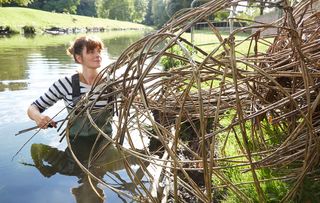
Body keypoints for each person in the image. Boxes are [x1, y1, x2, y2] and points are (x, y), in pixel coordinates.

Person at [27, 35, 113, 138]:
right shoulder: (66, 84)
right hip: (76, 142)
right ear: (79, 58)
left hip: (105, 142)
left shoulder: (112, 84)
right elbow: (33, 108)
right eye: (91, 52)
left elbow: (134, 99)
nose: (98, 55)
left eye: (98, 51)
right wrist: (38, 117)